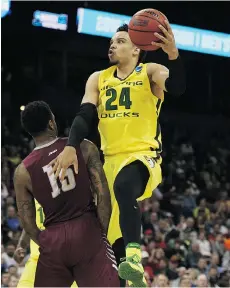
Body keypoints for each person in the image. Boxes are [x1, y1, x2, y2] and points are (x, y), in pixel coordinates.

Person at [49, 19, 186, 287]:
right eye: (111, 42)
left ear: (137, 49)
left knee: (125, 186)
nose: (113, 45)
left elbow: (178, 87)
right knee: (107, 233)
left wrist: (173, 55)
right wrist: (69, 147)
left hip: (143, 156)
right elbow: (85, 114)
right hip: (109, 160)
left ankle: (135, 257)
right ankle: (131, 279)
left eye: (120, 41)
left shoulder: (150, 71)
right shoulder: (98, 78)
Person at [13, 101, 119, 287]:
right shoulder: (84, 147)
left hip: (53, 239)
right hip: (86, 228)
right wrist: (99, 231)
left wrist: (43, 242)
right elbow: (102, 193)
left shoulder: (22, 171)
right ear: (52, 123)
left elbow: (26, 219)